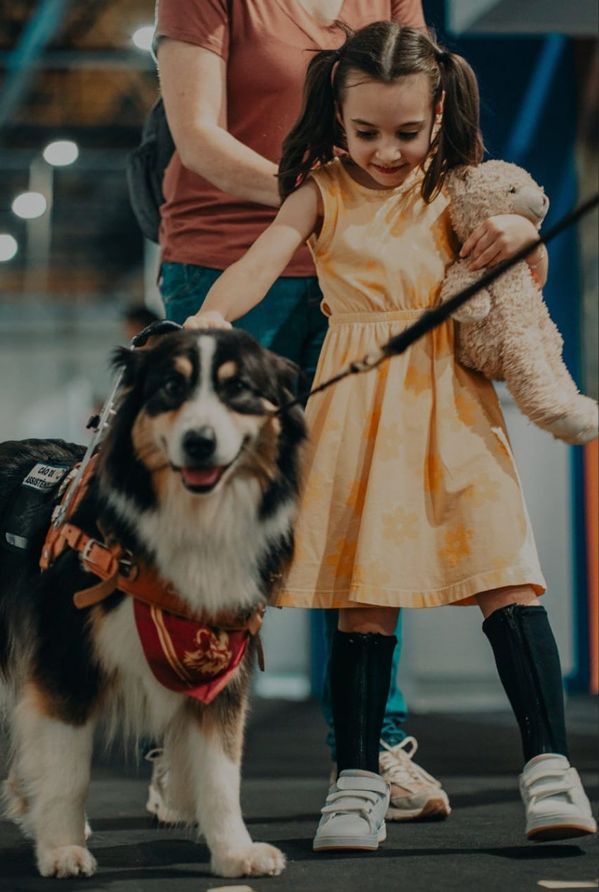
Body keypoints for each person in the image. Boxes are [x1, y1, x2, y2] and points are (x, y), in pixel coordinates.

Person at [183, 21, 597, 851]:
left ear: (439, 112)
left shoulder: (463, 185)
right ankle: (357, 779)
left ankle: (550, 768)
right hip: (355, 414)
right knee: (360, 603)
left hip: (453, 405)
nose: (384, 151)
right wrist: (210, 318)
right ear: (335, 113)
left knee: (508, 581)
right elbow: (264, 257)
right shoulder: (319, 187)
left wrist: (521, 231)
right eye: (364, 130)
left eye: (405, 132)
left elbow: (520, 260)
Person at [152, 0, 448, 825]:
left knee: (361, 511)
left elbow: (429, 115)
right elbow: (198, 138)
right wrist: (321, 195)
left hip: (360, 272)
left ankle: (371, 744)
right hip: (226, 261)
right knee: (218, 514)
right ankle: (185, 736)